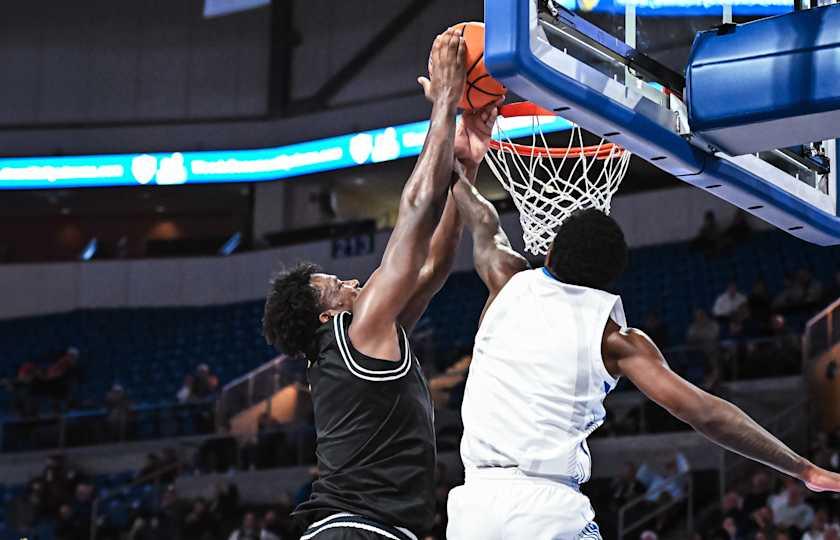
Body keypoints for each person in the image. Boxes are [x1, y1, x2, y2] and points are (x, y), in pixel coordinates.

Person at [444, 176, 840, 539]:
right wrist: (802, 468)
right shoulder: (615, 338)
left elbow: (484, 221)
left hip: (472, 508)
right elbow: (706, 414)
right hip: (543, 511)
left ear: (550, 252)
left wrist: (459, 157)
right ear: (608, 283)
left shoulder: (506, 280)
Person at [261, 29, 493, 539]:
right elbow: (414, 213)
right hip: (357, 531)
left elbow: (430, 272)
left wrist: (466, 167)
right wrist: (446, 104)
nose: (350, 281)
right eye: (335, 286)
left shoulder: (363, 338)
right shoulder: (355, 333)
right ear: (328, 317)